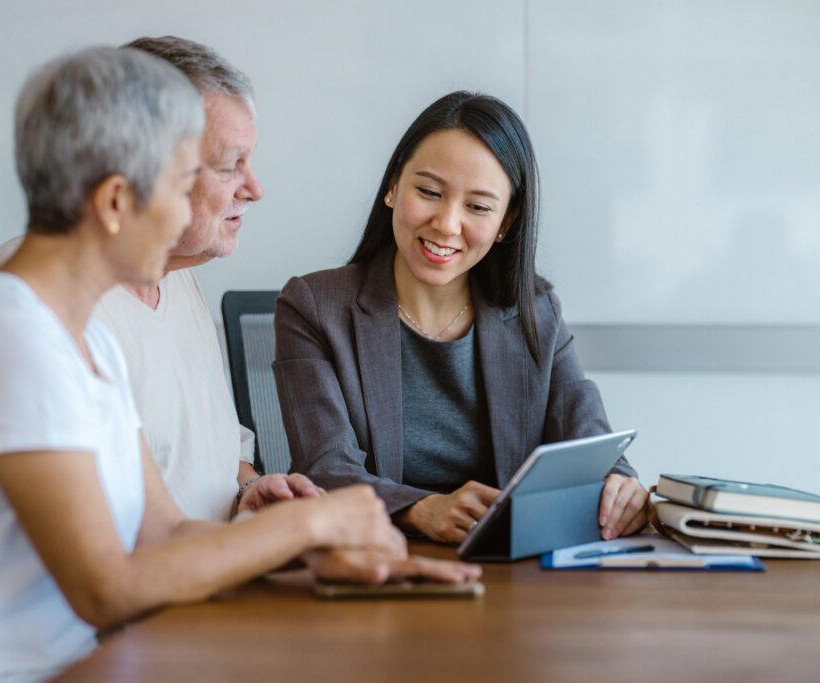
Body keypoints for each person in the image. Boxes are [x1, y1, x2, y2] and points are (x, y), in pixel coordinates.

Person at [0, 49, 480, 683]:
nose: (184, 216)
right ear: (116, 201)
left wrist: (310, 552)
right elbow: (106, 589)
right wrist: (312, 521)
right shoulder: (14, 336)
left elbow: (166, 533)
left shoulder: (78, 333)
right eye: (180, 188)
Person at [273, 91, 649, 545]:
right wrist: (420, 509)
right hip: (376, 561)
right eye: (429, 192)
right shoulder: (313, 306)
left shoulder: (536, 311)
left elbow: (591, 444)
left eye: (478, 207)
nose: (447, 224)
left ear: (506, 222)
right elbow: (325, 469)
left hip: (509, 568)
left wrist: (619, 484)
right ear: (392, 187)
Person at [0, 36, 315, 521]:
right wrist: (302, 531)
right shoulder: (43, 300)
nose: (255, 189)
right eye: (228, 166)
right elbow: (115, 553)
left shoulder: (173, 276)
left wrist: (249, 490)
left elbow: (204, 471)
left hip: (201, 563)